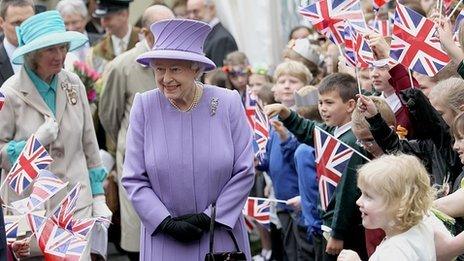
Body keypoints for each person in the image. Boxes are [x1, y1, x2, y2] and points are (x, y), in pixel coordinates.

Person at [122, 19, 254, 260]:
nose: (166, 78)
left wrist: (209, 217)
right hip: (164, 239)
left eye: (175, 69)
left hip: (219, 236)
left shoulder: (227, 103)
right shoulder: (144, 106)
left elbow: (244, 171)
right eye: (159, 69)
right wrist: (164, 222)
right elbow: (133, 178)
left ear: (196, 69)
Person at [0, 10, 111, 259]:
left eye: (63, 47)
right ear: (33, 55)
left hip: (75, 205)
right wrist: (34, 143)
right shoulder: (11, 92)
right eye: (51, 50)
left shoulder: (73, 83)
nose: (60, 56)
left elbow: (90, 147)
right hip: (31, 211)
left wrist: (98, 196)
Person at [98, 5, 175, 260]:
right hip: (138, 162)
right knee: (140, 238)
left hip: (174, 159)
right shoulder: (123, 65)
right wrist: (127, 140)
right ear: (146, 34)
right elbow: (109, 115)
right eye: (162, 30)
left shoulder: (183, 61)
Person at [265, 73, 368, 260]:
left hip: (343, 229)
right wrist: (286, 113)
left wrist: (337, 233)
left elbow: (346, 192)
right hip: (327, 223)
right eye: (320, 103)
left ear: (350, 105)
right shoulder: (335, 130)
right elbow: (309, 130)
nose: (323, 109)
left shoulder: (351, 140)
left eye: (329, 103)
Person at [337, 154, 436, 261]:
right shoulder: (421, 228)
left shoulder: (395, 252)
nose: (358, 201)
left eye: (368, 196)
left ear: (400, 203)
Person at [86, 0, 140, 74]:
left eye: (107, 18)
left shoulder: (144, 40)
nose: (103, 24)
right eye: (101, 18)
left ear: (124, 15)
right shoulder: (98, 50)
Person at [186, 0, 238, 67]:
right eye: (189, 12)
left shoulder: (223, 39)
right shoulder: (203, 36)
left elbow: (218, 75)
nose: (191, 17)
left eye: (195, 11)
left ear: (211, 9)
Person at [0, 0, 35, 86]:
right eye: (17, 23)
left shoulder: (50, 55)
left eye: (29, 22)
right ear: (1, 22)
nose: (24, 29)